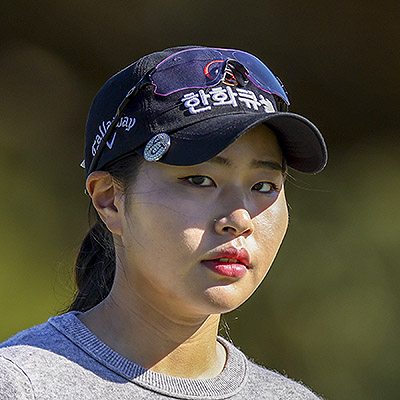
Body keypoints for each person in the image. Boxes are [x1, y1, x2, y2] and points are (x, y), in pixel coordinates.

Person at [0, 45, 327, 399]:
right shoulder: (21, 384)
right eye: (200, 180)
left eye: (264, 186)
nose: (238, 219)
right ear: (109, 199)